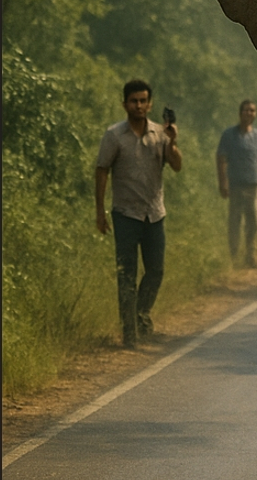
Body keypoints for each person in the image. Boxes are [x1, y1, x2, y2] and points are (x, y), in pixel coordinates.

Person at [95, 79, 182, 347]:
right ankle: (130, 333)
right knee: (127, 274)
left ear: (150, 103)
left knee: (155, 271)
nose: (139, 105)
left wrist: (173, 141)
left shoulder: (160, 133)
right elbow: (101, 170)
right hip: (125, 214)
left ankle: (141, 313)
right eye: (134, 101)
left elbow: (176, 166)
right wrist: (100, 211)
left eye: (143, 101)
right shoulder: (114, 136)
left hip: (154, 213)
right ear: (125, 104)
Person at [217, 100, 257, 268]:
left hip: (254, 185)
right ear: (240, 113)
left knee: (253, 221)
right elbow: (221, 159)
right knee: (235, 221)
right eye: (246, 110)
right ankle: (233, 257)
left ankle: (250, 255)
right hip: (235, 185)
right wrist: (223, 182)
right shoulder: (229, 135)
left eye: (252, 111)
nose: (249, 113)